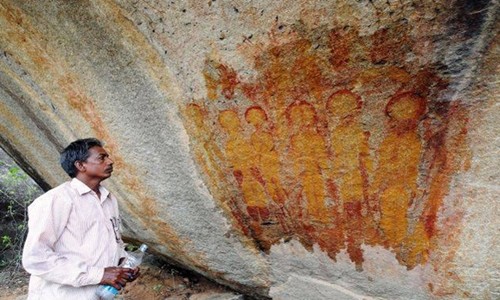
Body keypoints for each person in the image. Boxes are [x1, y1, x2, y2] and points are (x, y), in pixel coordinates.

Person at [22, 138, 139, 299]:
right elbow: (35, 258)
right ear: (80, 165)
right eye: (101, 158)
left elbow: (113, 242)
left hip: (97, 294)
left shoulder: (109, 199)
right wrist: (99, 275)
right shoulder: (57, 200)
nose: (110, 161)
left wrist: (125, 265)